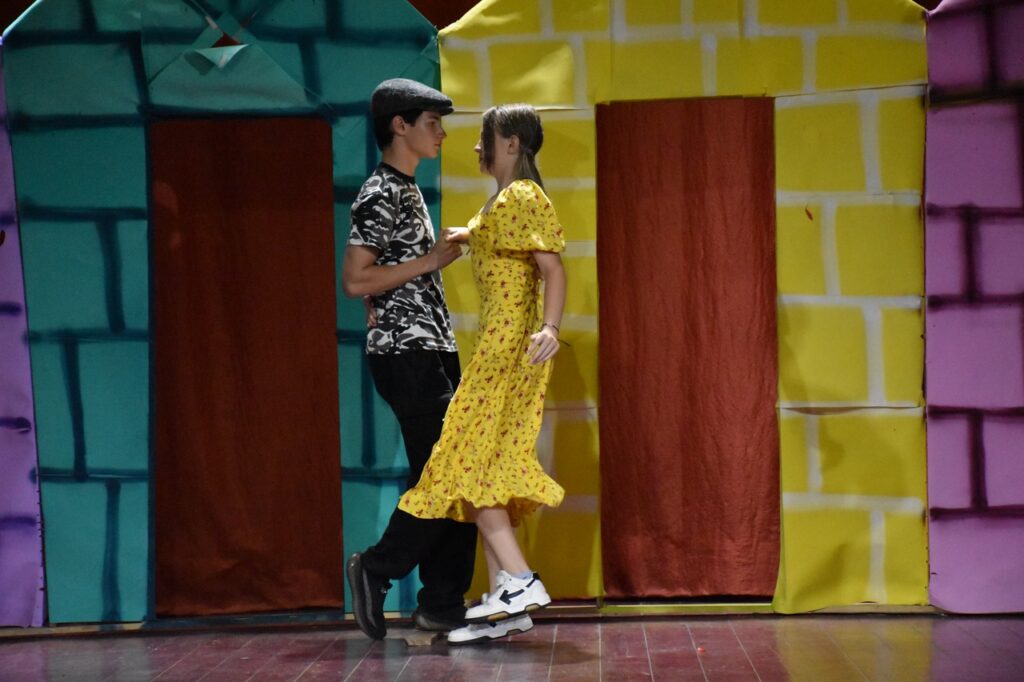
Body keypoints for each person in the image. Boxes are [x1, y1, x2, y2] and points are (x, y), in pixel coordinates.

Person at [397, 103, 567, 645]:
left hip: (508, 349)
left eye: (484, 137)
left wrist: (550, 327)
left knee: (470, 461)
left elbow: (552, 268)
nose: (475, 146)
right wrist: (467, 235)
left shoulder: (522, 195)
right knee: (485, 464)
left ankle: (519, 580)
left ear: (511, 143)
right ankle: (504, 601)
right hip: (497, 346)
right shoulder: (501, 202)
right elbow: (495, 236)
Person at [342, 78, 477, 641]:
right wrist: (431, 260)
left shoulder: (406, 188)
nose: (441, 133)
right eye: (432, 123)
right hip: (406, 351)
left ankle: (442, 602)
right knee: (449, 470)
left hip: (432, 347)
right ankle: (379, 567)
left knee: (456, 470)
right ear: (400, 125)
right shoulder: (382, 191)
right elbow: (355, 280)